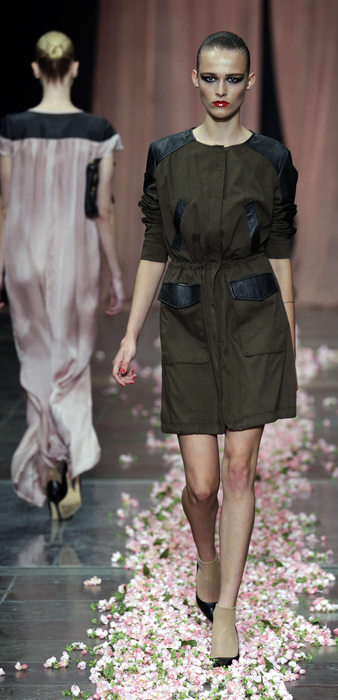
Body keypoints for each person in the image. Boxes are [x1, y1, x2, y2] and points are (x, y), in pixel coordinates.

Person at [112, 31, 297, 666]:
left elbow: (279, 248)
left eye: (233, 78)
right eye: (211, 77)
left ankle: (226, 611)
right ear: (195, 79)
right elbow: (154, 246)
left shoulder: (272, 157)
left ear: (249, 82)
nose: (222, 90)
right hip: (188, 314)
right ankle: (207, 556)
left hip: (254, 316)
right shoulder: (166, 155)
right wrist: (131, 334)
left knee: (240, 470)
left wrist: (290, 333)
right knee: (201, 484)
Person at [0, 31, 124, 520]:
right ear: (74, 68)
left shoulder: (12, 128)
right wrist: (116, 273)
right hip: (77, 258)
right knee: (70, 362)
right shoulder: (98, 132)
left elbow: (4, 206)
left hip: (24, 256)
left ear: (36, 69)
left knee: (36, 360)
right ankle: (67, 462)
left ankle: (49, 463)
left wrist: (0, 269)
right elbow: (102, 209)